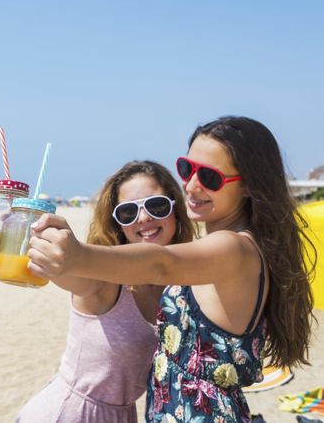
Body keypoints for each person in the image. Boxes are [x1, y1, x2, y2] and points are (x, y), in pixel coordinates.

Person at [27, 116, 316, 422]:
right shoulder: (234, 248)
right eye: (186, 169)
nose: (192, 185)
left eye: (210, 177)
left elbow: (162, 264)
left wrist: (78, 254)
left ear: (248, 186)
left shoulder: (235, 248)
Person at [16, 161, 195, 422]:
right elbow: (71, 273)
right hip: (69, 414)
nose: (144, 218)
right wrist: (61, 253)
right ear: (118, 224)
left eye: (156, 206)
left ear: (175, 208)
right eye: (128, 212)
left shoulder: (182, 285)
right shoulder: (106, 282)